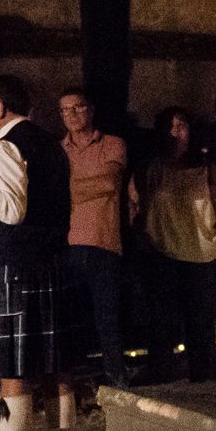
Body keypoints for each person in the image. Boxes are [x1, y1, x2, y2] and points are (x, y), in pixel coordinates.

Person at [0, 74, 78, 431]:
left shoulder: (7, 147)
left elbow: (12, 210)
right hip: (51, 264)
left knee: (14, 368)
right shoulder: (53, 145)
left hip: (13, 269)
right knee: (55, 365)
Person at [139, 107, 216, 383]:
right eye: (170, 126)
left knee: (201, 321)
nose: (175, 132)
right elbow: (140, 206)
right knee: (162, 320)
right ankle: (162, 375)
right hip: (164, 252)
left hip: (201, 252)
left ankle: (203, 377)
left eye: (181, 125)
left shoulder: (205, 166)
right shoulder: (152, 167)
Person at [58, 87, 134, 391]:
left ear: (90, 109)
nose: (71, 115)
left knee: (107, 315)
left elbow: (110, 182)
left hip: (104, 241)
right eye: (65, 110)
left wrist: (69, 191)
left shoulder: (113, 144)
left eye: (77, 108)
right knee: (70, 317)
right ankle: (71, 382)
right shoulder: (57, 149)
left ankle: (116, 378)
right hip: (68, 242)